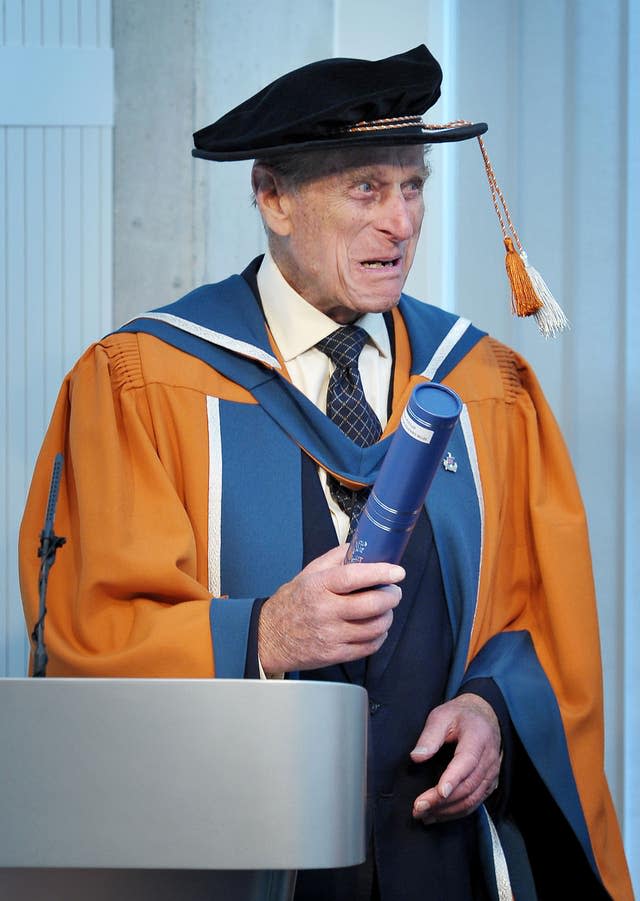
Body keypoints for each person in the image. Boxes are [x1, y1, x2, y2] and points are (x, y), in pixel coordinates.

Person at [20, 45, 632, 900]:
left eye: (412, 186)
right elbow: (87, 633)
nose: (402, 223)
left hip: (442, 863)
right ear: (273, 197)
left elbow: (543, 617)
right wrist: (261, 636)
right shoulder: (144, 382)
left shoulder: (485, 386)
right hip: (247, 861)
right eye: (366, 190)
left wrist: (494, 709)